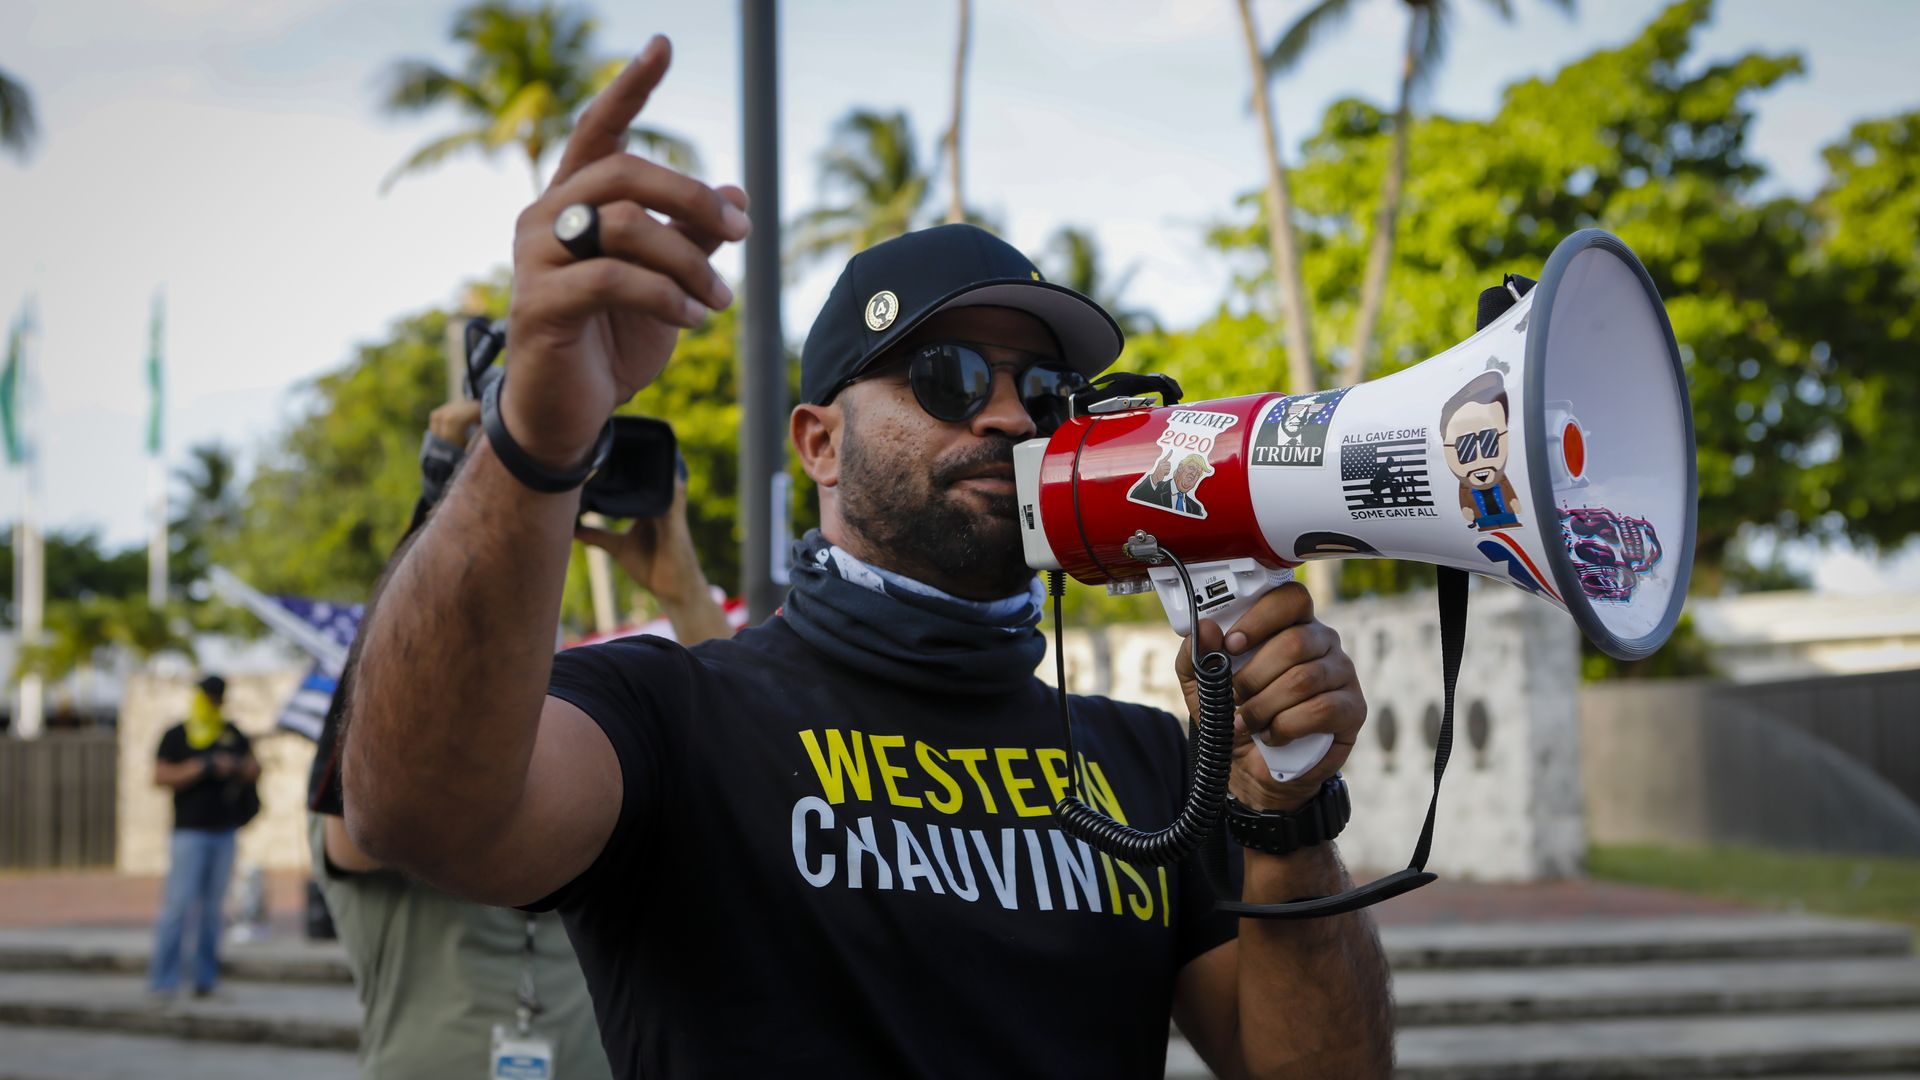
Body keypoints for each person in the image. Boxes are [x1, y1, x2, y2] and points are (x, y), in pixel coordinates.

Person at [345, 39, 1390, 1079]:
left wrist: (1285, 817)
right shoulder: (673, 714)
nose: (1006, 416)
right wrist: (537, 431)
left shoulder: (1161, 763)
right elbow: (419, 816)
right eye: (947, 373)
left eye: (1042, 391)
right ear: (819, 443)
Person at [311, 395, 728, 1079]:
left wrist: (682, 593)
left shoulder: (591, 797)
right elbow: (368, 784)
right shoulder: (384, 792)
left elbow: (739, 767)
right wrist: (442, 514)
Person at [149, 674, 259, 1001]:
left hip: (223, 831)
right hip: (189, 832)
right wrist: (202, 766)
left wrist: (234, 766)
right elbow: (160, 775)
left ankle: (205, 980)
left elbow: (255, 768)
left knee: (214, 911)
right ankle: (163, 982)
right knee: (178, 907)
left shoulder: (232, 733)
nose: (213, 702)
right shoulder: (178, 734)